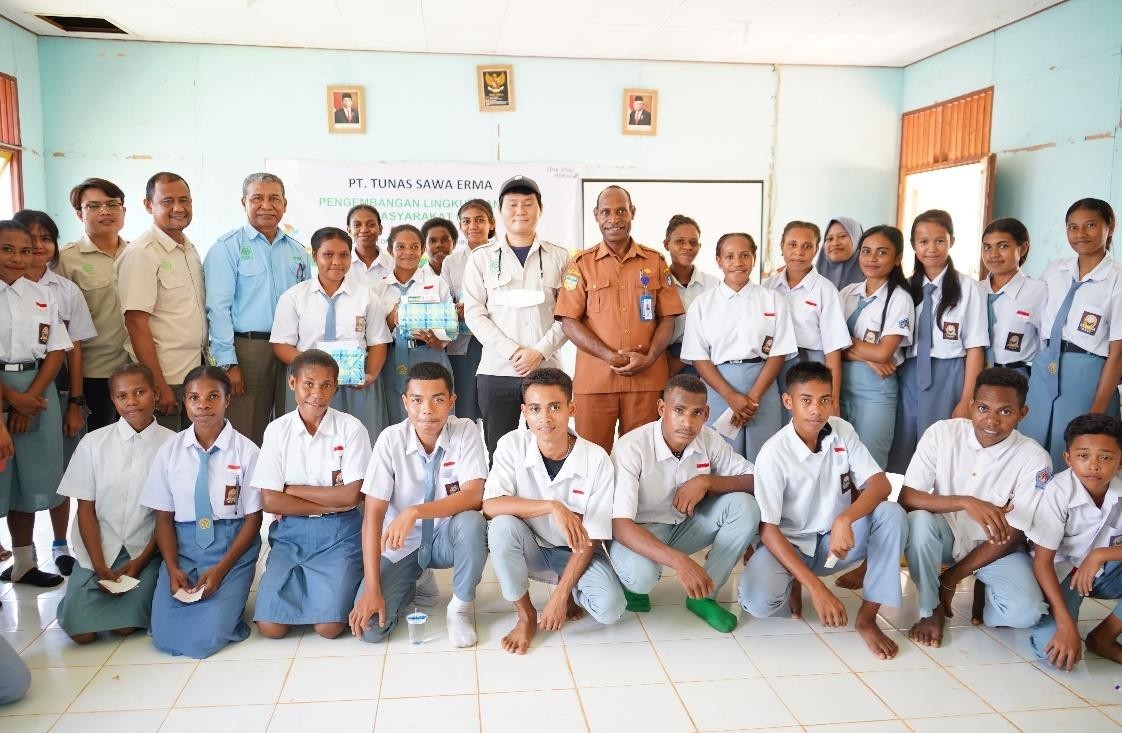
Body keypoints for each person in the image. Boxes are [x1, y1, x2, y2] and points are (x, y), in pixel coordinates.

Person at [739, 361, 907, 659]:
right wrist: (817, 588)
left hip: (836, 542)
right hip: (791, 545)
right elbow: (768, 529)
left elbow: (880, 485)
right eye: (806, 401)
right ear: (788, 402)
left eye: (824, 399)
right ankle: (795, 581)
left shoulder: (842, 431)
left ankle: (867, 620)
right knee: (758, 602)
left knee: (891, 515)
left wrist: (845, 518)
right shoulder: (773, 454)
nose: (816, 410)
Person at [898, 367, 1050, 648]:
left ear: (1022, 413)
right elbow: (907, 498)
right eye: (983, 408)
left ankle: (984, 595)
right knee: (918, 522)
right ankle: (932, 610)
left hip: (996, 548)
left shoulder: (1035, 458)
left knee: (1025, 613)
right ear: (971, 406)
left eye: (1005, 411)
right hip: (945, 536)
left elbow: (1016, 532)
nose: (991, 420)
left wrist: (952, 578)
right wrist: (965, 501)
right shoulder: (942, 433)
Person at [483, 368, 624, 654]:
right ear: (524, 412)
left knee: (611, 608)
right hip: (530, 547)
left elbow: (593, 536)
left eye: (555, 407)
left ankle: (568, 587)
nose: (544, 418)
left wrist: (559, 597)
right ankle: (525, 615)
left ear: (572, 408)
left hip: (574, 551)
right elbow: (490, 505)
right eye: (535, 409)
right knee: (501, 526)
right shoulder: (512, 445)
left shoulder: (596, 459)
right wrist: (552, 506)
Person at [349, 362, 487, 648]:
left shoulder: (465, 431)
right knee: (372, 631)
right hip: (402, 545)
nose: (427, 410)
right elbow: (373, 516)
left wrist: (415, 511)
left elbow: (474, 494)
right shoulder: (390, 440)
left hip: (445, 537)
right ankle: (417, 579)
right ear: (405, 402)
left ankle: (459, 609)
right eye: (417, 400)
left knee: (473, 523)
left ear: (451, 402)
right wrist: (373, 588)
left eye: (438, 399)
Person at [610, 374, 758, 632]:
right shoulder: (631, 448)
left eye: (696, 413)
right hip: (639, 532)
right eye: (679, 411)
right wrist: (681, 562)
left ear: (706, 413)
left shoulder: (709, 439)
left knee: (745, 507)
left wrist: (707, 481)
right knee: (641, 578)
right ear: (661, 409)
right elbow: (620, 526)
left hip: (685, 525)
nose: (687, 423)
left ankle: (703, 597)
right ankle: (628, 583)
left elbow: (756, 479)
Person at [141, 366, 263, 659]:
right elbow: (163, 517)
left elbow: (254, 519)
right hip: (183, 546)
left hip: (232, 547)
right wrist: (172, 568)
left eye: (213, 396)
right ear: (185, 402)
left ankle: (227, 594)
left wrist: (221, 569)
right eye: (193, 397)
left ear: (227, 400)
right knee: (162, 633)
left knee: (211, 633)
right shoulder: (169, 451)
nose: (203, 405)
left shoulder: (247, 452)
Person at [252, 350, 371, 640]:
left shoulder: (351, 429)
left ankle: (334, 590)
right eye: (308, 384)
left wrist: (291, 490)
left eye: (326, 385)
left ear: (336, 386)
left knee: (329, 628)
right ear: (293, 383)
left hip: (340, 532)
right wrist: (331, 498)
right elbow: (269, 500)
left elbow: (352, 496)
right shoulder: (277, 431)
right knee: (270, 627)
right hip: (291, 532)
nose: (317, 393)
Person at [555, 186, 684, 453]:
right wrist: (609, 356)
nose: (614, 218)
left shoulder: (655, 262)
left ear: (632, 213)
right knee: (591, 458)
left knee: (644, 458)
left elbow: (668, 318)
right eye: (606, 212)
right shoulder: (581, 264)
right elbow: (569, 321)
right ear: (596, 216)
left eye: (621, 211)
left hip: (646, 381)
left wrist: (648, 358)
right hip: (596, 382)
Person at [54, 363, 175, 643]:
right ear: (113, 400)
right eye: (122, 396)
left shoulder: (173, 445)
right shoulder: (94, 443)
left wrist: (138, 563)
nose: (131, 401)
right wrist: (98, 566)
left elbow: (166, 516)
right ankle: (78, 593)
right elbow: (84, 509)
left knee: (125, 629)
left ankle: (139, 589)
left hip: (145, 550)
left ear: (155, 394)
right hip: (99, 549)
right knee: (81, 634)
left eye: (140, 392)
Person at [13, 208, 97, 575]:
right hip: (14, 390)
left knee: (58, 471)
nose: (37, 247)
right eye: (28, 241)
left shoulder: (64, 289)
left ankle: (61, 543)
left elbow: (72, 347)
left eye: (46, 238)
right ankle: (21, 555)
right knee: (15, 475)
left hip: (55, 390)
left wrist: (75, 400)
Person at [463, 177, 570, 456]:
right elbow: (475, 314)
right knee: (500, 453)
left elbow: (570, 314)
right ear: (500, 211)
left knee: (551, 448)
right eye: (512, 204)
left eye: (527, 204)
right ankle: (502, 500)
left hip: (547, 370)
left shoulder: (561, 257)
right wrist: (514, 351)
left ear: (540, 209)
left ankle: (548, 500)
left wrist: (540, 351)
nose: (520, 210)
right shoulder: (481, 258)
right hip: (496, 372)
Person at [204, 172, 312, 446]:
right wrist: (228, 363)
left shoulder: (298, 251)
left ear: (284, 204)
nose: (266, 205)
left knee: (293, 429)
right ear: (244, 202)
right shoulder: (227, 247)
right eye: (257, 198)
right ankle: (242, 489)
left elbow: (308, 305)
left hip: (292, 350)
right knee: (246, 431)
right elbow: (218, 309)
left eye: (274, 198)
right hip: (249, 350)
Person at [1021, 198, 1122, 467]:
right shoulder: (1056, 269)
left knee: (1076, 449)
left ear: (1110, 227)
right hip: (1045, 367)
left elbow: (1117, 354)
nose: (1080, 234)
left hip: (1087, 373)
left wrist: (1098, 411)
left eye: (1090, 225)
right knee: (1031, 445)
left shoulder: (1117, 279)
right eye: (1073, 227)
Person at [0, 220, 73, 588]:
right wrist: (13, 400)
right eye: (7, 249)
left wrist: (32, 398)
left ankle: (23, 564)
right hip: (6, 392)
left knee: (27, 484)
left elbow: (57, 350)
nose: (17, 258)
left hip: (37, 390)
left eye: (24, 250)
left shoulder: (42, 295)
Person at [887, 210, 988, 473]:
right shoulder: (904, 289)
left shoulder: (969, 289)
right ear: (913, 246)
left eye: (939, 241)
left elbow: (976, 348)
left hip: (950, 374)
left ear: (951, 241)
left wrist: (968, 399)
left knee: (944, 448)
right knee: (905, 444)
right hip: (907, 374)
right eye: (923, 242)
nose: (931, 248)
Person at [683, 232, 796, 461]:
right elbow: (698, 357)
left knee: (765, 457)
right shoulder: (703, 304)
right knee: (722, 457)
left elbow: (778, 353)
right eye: (730, 256)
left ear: (754, 258)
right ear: (719, 260)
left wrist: (753, 398)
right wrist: (730, 396)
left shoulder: (772, 300)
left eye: (745, 255)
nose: (737, 262)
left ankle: (763, 499)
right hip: (718, 388)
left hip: (762, 387)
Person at [271, 227, 391, 439]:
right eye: (328, 254)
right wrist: (315, 368)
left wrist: (370, 375)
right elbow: (281, 345)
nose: (336, 261)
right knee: (307, 442)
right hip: (309, 386)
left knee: (358, 442)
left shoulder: (366, 296)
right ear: (315, 255)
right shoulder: (294, 297)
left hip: (355, 386)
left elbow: (378, 341)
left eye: (344, 255)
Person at [1029, 413, 1122, 669]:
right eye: (1083, 456)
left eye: (1105, 457)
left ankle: (1104, 637)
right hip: (1062, 574)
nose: (1094, 465)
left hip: (1103, 571)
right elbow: (1042, 563)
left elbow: (1102, 554)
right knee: (1054, 654)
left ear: (1120, 462)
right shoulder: (1057, 492)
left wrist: (1101, 554)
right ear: (1068, 459)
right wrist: (1066, 624)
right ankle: (1064, 618)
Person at [116, 172, 206, 432]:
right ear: (148, 205)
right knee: (162, 460)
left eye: (184, 200)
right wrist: (157, 383)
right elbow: (135, 323)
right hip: (166, 377)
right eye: (168, 201)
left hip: (193, 373)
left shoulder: (188, 248)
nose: (178, 208)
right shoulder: (142, 253)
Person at [56, 177, 130, 431]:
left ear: (124, 210)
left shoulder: (137, 254)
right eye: (94, 206)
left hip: (135, 369)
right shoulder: (66, 260)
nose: (105, 212)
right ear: (79, 214)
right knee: (96, 449)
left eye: (112, 204)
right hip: (93, 376)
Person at [838, 226, 915, 468]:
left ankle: (872, 507)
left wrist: (844, 344)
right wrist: (869, 358)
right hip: (838, 384)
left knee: (869, 462)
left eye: (881, 252)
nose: (871, 258)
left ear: (898, 258)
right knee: (837, 460)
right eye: (866, 251)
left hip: (875, 390)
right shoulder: (847, 293)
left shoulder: (900, 298)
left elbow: (884, 352)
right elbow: (826, 341)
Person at [763, 221, 850, 407]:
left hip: (812, 366)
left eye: (807, 246)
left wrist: (831, 403)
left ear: (816, 249)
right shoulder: (767, 287)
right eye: (792, 244)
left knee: (808, 423)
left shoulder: (826, 291)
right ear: (781, 247)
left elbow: (833, 351)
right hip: (772, 366)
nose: (799, 252)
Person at [378, 224, 455, 424]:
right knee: (394, 417)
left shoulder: (437, 284)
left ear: (422, 250)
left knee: (433, 415)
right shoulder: (377, 288)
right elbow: (372, 332)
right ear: (389, 250)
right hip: (390, 358)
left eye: (414, 247)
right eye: (401, 247)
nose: (408, 253)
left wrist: (441, 342)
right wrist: (391, 319)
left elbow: (450, 325)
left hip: (430, 355)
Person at [441, 200, 494, 425]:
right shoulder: (451, 262)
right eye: (467, 221)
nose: (473, 225)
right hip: (463, 344)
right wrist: (455, 310)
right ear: (461, 226)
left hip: (494, 342)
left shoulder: (501, 255)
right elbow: (444, 301)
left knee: (493, 410)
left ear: (491, 223)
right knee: (465, 412)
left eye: (479, 220)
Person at [980, 218, 1047, 378]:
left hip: (1018, 378)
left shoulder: (1038, 291)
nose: (993, 254)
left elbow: (1047, 343)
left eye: (1003, 246)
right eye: (987, 247)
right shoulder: (975, 290)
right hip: (977, 375)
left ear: (1022, 248)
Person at [663, 214, 718, 375]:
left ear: (699, 246)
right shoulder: (656, 284)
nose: (687, 247)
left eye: (693, 242)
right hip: (665, 355)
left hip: (705, 356)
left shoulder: (713, 285)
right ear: (667, 244)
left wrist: (684, 358)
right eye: (680, 241)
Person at [346, 204, 393, 288]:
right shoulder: (341, 264)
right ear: (349, 230)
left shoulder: (393, 265)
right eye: (357, 225)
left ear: (380, 229)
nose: (364, 230)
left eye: (371, 224)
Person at [814, 217, 864, 291]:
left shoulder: (873, 280)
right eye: (829, 239)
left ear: (857, 239)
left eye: (842, 236)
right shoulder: (811, 278)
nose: (835, 243)